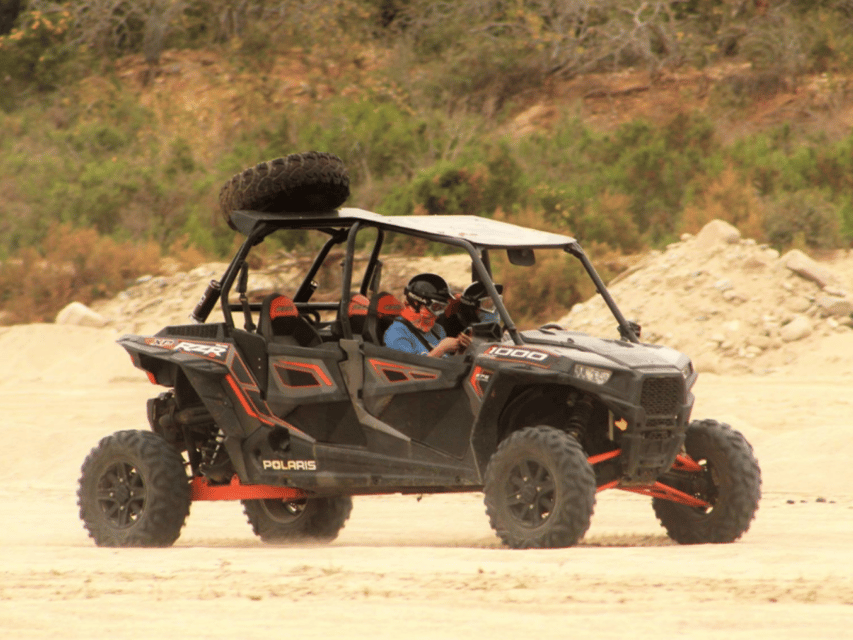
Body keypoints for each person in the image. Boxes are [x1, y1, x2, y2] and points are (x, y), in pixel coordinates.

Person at [383, 273, 471, 357]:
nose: (438, 314)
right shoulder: (396, 333)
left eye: (442, 308)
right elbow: (410, 368)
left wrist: (461, 351)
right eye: (436, 307)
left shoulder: (437, 329)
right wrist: (441, 349)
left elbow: (445, 363)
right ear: (416, 302)